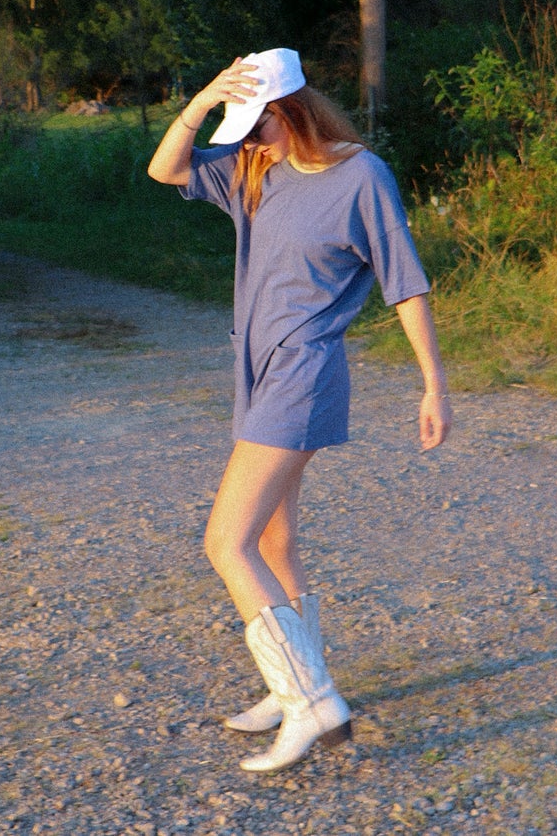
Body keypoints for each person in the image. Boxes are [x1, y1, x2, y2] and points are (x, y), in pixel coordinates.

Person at [146, 48, 451, 774]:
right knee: (276, 541)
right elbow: (165, 169)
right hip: (256, 373)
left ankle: (309, 698)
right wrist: (203, 102)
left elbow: (405, 282)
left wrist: (433, 384)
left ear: (290, 112)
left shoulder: (361, 176)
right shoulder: (253, 167)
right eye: (241, 130)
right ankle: (292, 686)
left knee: (226, 542)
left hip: (303, 374)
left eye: (256, 127)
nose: (248, 142)